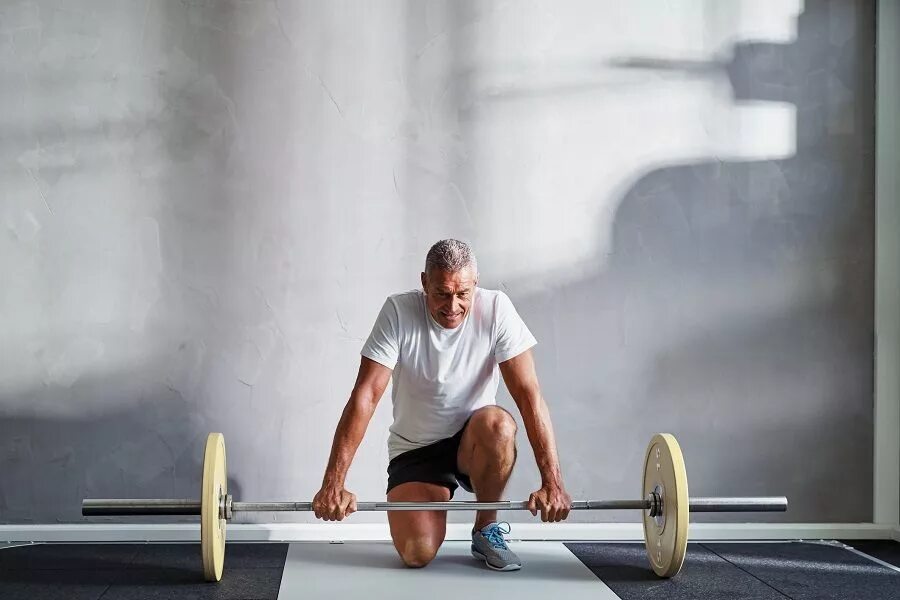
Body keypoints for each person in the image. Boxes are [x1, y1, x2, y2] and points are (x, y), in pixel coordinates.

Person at [312, 239, 570, 571]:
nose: (452, 305)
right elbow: (366, 396)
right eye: (441, 293)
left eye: (462, 293)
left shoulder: (497, 309)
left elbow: (529, 396)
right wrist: (334, 482)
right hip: (416, 450)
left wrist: (553, 483)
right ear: (424, 283)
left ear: (475, 283)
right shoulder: (399, 311)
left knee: (500, 426)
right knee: (417, 554)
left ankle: (486, 527)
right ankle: (432, 506)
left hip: (474, 442)